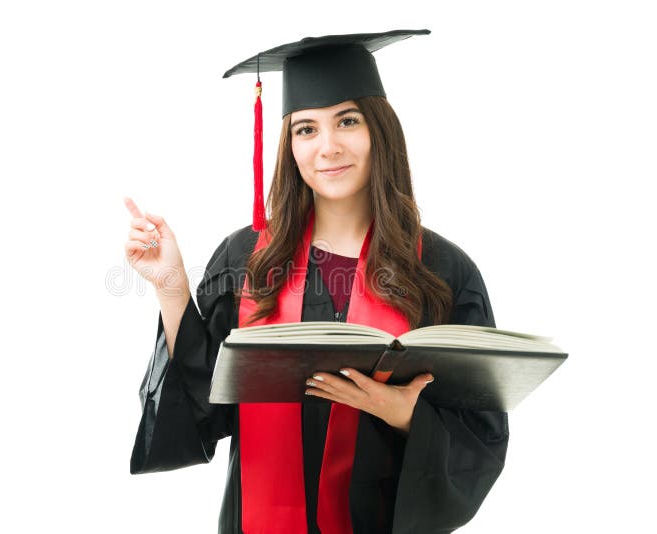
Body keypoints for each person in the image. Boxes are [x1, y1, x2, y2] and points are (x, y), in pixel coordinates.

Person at [126, 30, 508, 534]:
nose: (328, 147)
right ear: (288, 144)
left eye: (347, 121)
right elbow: (204, 411)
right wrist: (172, 288)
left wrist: (405, 413)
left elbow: (480, 435)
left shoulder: (440, 270)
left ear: (379, 131)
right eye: (306, 129)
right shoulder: (246, 258)